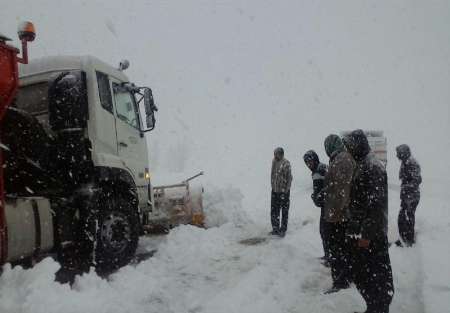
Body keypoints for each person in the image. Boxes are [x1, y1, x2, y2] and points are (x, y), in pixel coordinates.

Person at [343, 129, 394, 313]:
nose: (348, 151)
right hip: (364, 232)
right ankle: (373, 307)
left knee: (375, 277)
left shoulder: (372, 167)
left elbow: (376, 207)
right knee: (364, 275)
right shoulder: (363, 163)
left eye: (350, 146)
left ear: (358, 145)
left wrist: (365, 235)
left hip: (372, 236)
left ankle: (378, 308)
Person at [321, 135, 355, 293]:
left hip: (338, 216)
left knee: (338, 250)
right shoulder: (341, 158)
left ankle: (341, 282)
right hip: (339, 214)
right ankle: (344, 278)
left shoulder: (341, 160)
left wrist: (338, 212)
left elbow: (342, 190)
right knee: (342, 249)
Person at [303, 150, 330, 263]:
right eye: (307, 163)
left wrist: (314, 197)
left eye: (310, 162)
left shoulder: (317, 173)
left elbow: (319, 198)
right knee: (329, 232)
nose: (309, 165)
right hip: (334, 204)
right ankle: (330, 256)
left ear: (315, 159)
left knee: (324, 231)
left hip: (328, 207)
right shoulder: (324, 166)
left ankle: (329, 257)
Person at [396, 144, 421, 246]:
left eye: (398, 153)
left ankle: (408, 240)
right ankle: (404, 239)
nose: (397, 155)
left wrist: (406, 188)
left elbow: (417, 180)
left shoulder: (412, 163)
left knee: (407, 218)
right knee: (404, 218)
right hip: (407, 196)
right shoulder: (405, 162)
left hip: (411, 196)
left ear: (404, 152)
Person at [270, 147, 292, 237]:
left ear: (281, 154)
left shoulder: (286, 163)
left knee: (284, 211)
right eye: (274, 154)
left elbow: (289, 178)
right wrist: (272, 186)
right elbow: (272, 174)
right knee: (274, 210)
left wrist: (286, 190)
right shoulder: (274, 161)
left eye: (276, 154)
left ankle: (283, 229)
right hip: (275, 190)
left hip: (283, 192)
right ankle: (275, 228)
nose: (275, 156)